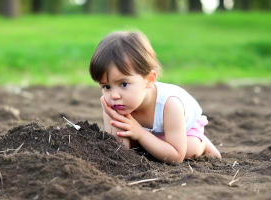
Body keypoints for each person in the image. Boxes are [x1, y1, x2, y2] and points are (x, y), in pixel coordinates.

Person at [89, 30, 221, 164]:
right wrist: (112, 116)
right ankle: (154, 141)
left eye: (123, 84)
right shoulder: (114, 103)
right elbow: (120, 149)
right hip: (145, 131)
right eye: (106, 87)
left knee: (188, 150)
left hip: (182, 130)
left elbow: (176, 157)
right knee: (140, 148)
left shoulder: (169, 104)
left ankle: (202, 142)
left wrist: (140, 133)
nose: (114, 96)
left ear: (150, 79)